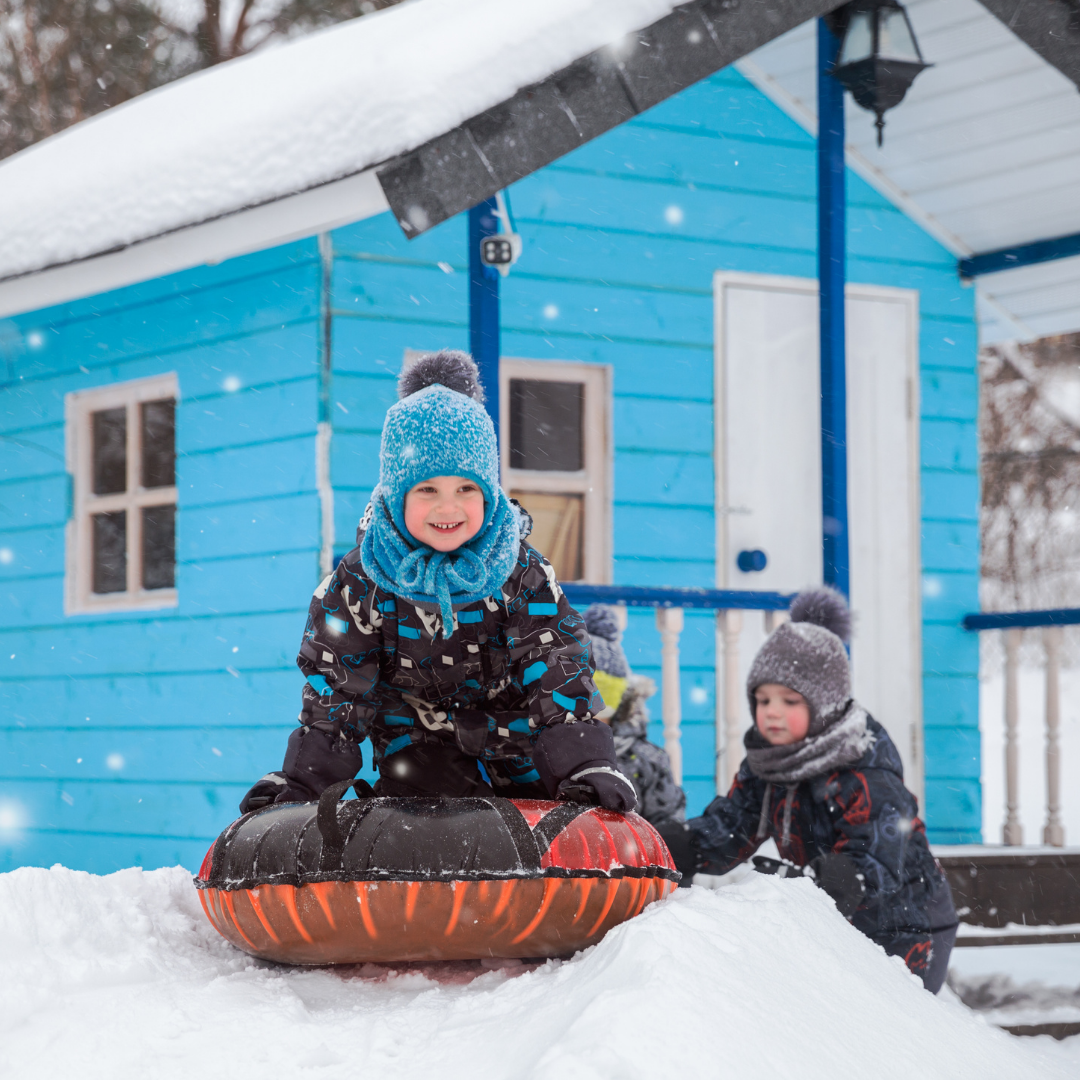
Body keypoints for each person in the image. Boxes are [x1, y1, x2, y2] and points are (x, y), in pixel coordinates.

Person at [238, 350, 636, 813]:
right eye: (427, 490)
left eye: (466, 489)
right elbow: (336, 691)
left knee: (549, 813)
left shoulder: (519, 572)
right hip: (418, 752)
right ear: (395, 494)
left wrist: (584, 763)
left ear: (489, 494)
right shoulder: (360, 582)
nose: (448, 509)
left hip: (520, 744)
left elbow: (557, 665)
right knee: (433, 817)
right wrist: (302, 784)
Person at [659, 587, 958, 992]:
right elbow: (734, 825)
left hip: (907, 922)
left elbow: (886, 849)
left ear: (826, 705)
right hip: (834, 907)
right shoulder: (767, 764)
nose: (772, 712)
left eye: (790, 700)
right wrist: (685, 845)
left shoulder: (864, 770)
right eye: (762, 700)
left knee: (881, 1016)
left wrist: (851, 874)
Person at [583, 603, 686, 828]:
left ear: (621, 699)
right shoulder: (544, 754)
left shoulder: (647, 760)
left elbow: (666, 826)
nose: (591, 709)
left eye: (604, 693)